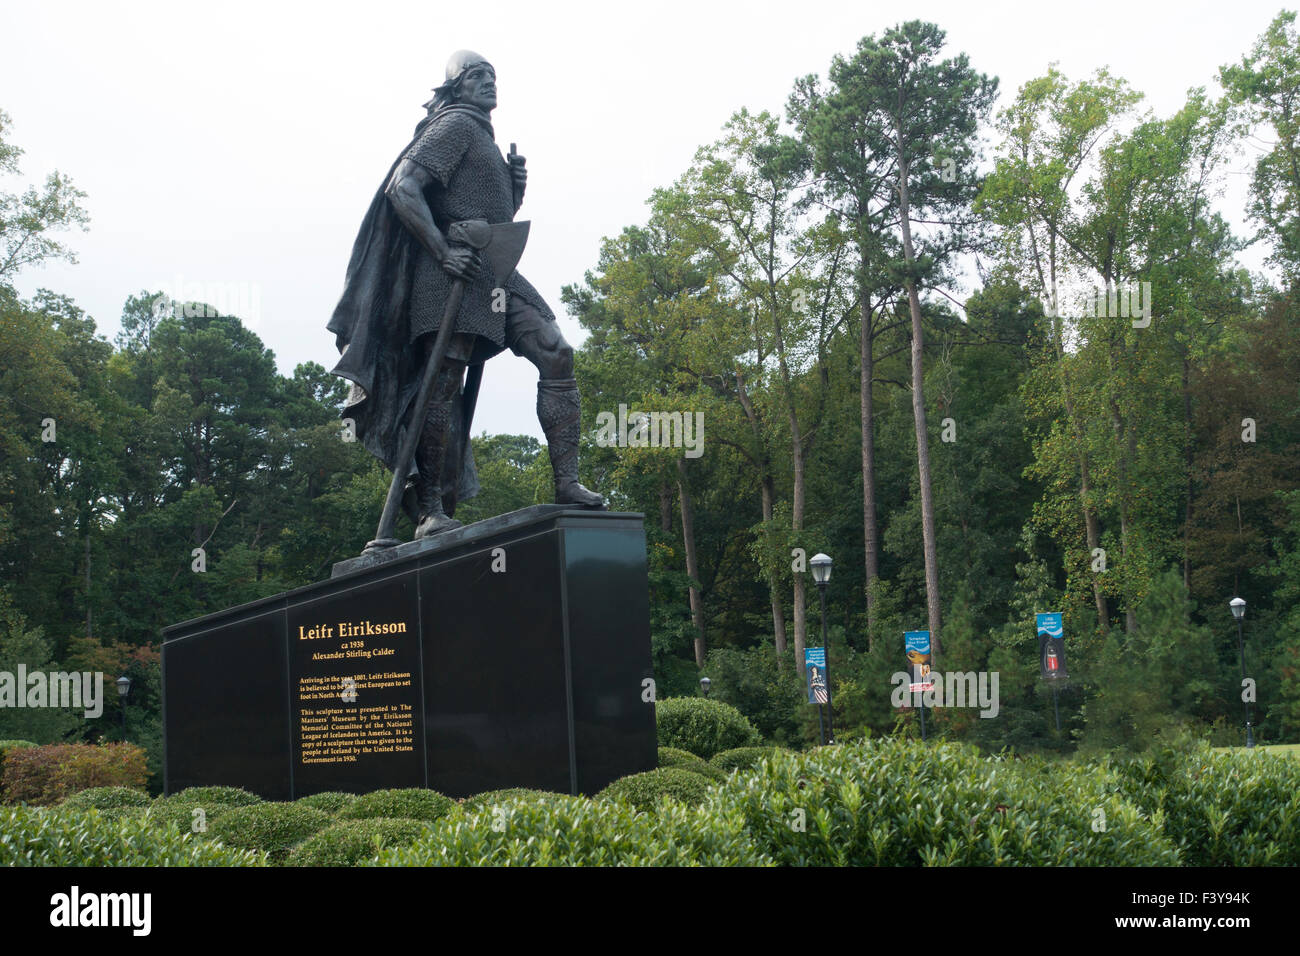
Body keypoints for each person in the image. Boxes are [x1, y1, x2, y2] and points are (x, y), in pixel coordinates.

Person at [327, 50, 604, 539]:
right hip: (451, 273)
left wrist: (514, 192)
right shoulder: (454, 126)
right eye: (478, 76)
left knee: (556, 351)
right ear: (455, 87)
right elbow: (403, 188)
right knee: (442, 386)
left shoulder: (483, 137)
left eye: (494, 77)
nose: (489, 84)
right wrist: (441, 251)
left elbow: (486, 211)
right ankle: (430, 508)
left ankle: (568, 484)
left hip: (494, 271)